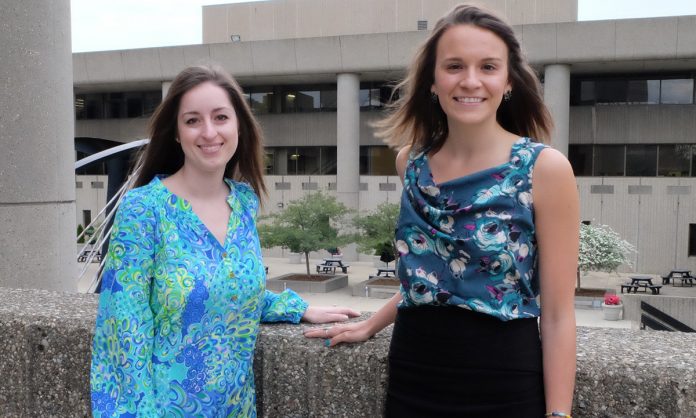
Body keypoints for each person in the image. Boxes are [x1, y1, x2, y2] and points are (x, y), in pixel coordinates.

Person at [305, 4, 578, 417]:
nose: (470, 80)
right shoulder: (410, 164)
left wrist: (560, 415)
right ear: (432, 81)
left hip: (504, 381)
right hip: (415, 372)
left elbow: (558, 315)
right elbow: (435, 280)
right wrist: (369, 324)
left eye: (488, 66)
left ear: (508, 82)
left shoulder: (544, 169)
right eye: (454, 66)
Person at [90, 64, 359, 417]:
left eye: (220, 117)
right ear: (176, 132)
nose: (209, 132)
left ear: (238, 127)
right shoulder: (144, 209)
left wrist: (296, 308)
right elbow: (122, 332)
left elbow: (227, 289)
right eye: (192, 121)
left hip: (236, 408)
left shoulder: (244, 201)